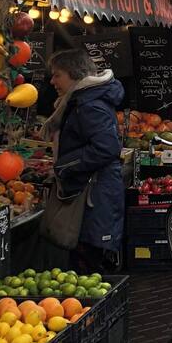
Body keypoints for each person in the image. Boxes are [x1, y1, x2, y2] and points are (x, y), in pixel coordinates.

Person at [42, 49, 125, 273]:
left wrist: (64, 165)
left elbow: (106, 148)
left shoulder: (89, 106)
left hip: (95, 196)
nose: (52, 81)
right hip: (95, 192)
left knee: (89, 265)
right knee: (88, 265)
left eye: (57, 75)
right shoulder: (83, 101)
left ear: (74, 74)